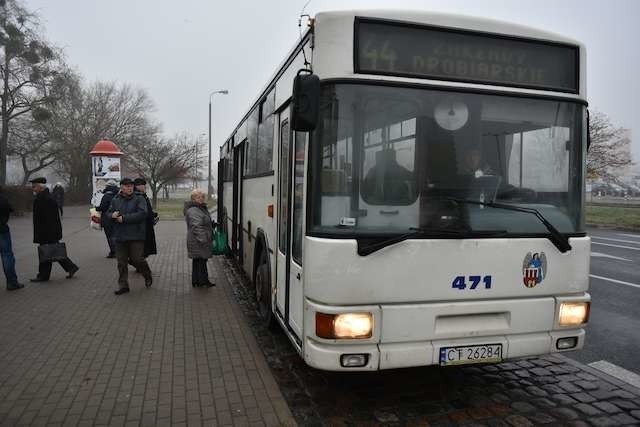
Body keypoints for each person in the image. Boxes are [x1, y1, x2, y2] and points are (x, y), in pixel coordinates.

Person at [107, 177, 152, 295]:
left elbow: (142, 214)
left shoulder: (139, 198)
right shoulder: (115, 199)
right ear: (121, 187)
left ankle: (147, 274)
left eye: (131, 185)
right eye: (127, 186)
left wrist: (124, 218)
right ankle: (123, 285)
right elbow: (108, 213)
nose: (130, 188)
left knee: (137, 259)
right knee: (121, 262)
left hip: (136, 235)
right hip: (120, 236)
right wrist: (112, 215)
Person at [29, 177, 79, 282]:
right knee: (52, 252)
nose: (33, 189)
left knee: (46, 252)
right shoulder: (44, 198)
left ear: (40, 187)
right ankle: (70, 267)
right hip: (48, 232)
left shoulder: (45, 199)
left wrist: (50, 234)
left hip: (47, 232)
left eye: (34, 187)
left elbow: (51, 219)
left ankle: (44, 276)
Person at [184, 189, 215, 287]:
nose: (201, 199)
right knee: (201, 260)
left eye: (202, 197)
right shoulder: (194, 210)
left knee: (198, 260)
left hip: (197, 239)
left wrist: (211, 224)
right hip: (198, 240)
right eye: (198, 197)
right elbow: (196, 226)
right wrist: (204, 239)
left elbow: (202, 222)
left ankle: (197, 281)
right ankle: (203, 282)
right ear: (193, 198)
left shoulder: (200, 208)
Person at [0, 186, 23, 290]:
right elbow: (10, 209)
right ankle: (12, 282)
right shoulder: (3, 199)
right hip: (2, 230)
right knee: (7, 256)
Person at [133, 178, 158, 259]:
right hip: (143, 225)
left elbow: (147, 209)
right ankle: (139, 263)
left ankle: (140, 261)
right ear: (138, 186)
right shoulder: (137, 196)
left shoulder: (143, 195)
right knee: (143, 247)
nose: (145, 187)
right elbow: (141, 211)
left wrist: (152, 214)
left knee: (146, 247)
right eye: (143, 186)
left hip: (147, 224)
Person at [96, 180, 119, 258]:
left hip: (107, 219)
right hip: (117, 218)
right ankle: (119, 251)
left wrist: (96, 208)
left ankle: (113, 252)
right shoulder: (118, 195)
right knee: (116, 235)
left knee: (110, 236)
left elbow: (102, 207)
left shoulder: (106, 196)